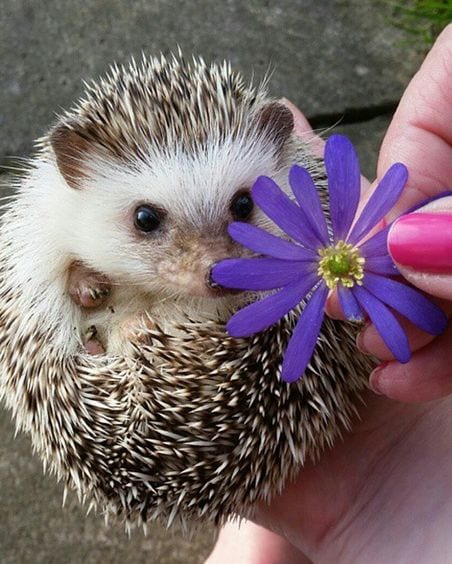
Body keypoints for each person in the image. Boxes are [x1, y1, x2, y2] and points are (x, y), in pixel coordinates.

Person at [207, 24, 452, 564]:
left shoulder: (333, 260)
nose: (208, 260)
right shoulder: (336, 257)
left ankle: (260, 542)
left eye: (243, 208)